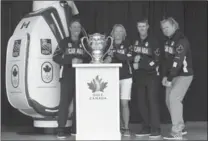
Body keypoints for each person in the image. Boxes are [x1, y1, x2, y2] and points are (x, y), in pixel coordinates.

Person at [53, 19, 88, 139]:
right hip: (67, 75)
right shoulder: (64, 42)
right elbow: (55, 57)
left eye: (78, 27)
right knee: (64, 102)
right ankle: (61, 129)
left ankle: (76, 128)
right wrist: (70, 61)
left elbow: (90, 57)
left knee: (80, 102)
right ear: (70, 28)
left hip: (81, 76)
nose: (76, 29)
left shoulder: (85, 42)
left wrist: (82, 61)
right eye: (74, 27)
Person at [160, 17, 194, 140]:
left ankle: (177, 131)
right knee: (168, 101)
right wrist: (165, 76)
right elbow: (166, 61)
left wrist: (169, 78)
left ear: (174, 26)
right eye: (163, 28)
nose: (165, 30)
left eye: (167, 27)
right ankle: (181, 126)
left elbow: (177, 62)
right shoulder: (167, 42)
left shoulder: (181, 40)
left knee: (174, 98)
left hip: (184, 75)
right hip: (172, 75)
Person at [132, 18, 161, 139]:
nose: (142, 29)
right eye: (140, 26)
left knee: (152, 102)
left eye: (144, 26)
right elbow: (131, 55)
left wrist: (141, 64)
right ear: (137, 28)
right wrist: (134, 60)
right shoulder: (135, 41)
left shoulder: (154, 41)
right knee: (141, 102)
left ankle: (156, 129)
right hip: (139, 76)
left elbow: (157, 59)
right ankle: (146, 127)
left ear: (148, 27)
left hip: (151, 75)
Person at [104, 24, 133, 137]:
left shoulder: (128, 44)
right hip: (112, 77)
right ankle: (115, 126)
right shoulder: (107, 45)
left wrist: (115, 54)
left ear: (124, 34)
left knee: (124, 103)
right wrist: (108, 57)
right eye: (116, 31)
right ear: (113, 33)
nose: (118, 34)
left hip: (126, 77)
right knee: (113, 104)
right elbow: (104, 60)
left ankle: (125, 127)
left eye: (121, 31)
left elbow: (128, 57)